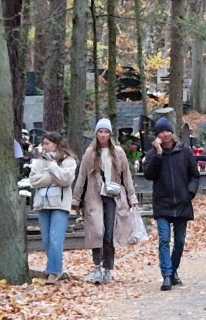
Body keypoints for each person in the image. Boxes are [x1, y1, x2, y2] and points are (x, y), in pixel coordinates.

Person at [72, 118, 139, 284]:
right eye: (100, 132)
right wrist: (76, 199)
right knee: (97, 232)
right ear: (96, 133)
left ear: (110, 134)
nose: (103, 135)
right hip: (94, 196)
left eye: (106, 132)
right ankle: (96, 266)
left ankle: (108, 268)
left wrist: (132, 197)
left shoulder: (118, 152)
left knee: (109, 233)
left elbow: (126, 176)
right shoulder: (89, 153)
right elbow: (82, 176)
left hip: (113, 196)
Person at [142, 116, 200, 291]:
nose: (165, 134)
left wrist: (189, 192)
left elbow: (194, 175)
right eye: (161, 131)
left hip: (182, 202)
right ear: (157, 135)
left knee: (180, 241)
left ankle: (174, 270)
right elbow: (149, 175)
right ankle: (167, 275)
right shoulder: (153, 155)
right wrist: (158, 154)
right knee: (164, 240)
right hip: (163, 203)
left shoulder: (185, 152)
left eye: (167, 131)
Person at [29, 133, 78, 283]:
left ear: (56, 144)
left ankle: (53, 272)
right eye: (43, 144)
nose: (44, 147)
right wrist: (53, 177)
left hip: (59, 204)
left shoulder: (69, 161)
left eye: (47, 144)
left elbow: (66, 179)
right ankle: (56, 269)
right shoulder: (39, 162)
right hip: (42, 204)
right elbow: (33, 180)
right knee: (46, 240)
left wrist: (53, 167)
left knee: (56, 239)